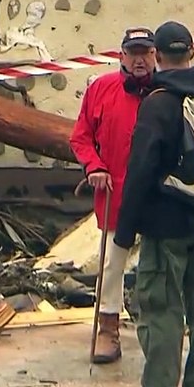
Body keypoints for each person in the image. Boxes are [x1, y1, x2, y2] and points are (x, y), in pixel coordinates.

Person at [113, 20, 194, 387]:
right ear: (193, 54)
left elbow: (140, 171)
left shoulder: (160, 102)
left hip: (167, 226)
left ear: (159, 57)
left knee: (162, 310)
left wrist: (125, 230)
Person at [68, 27, 157, 364]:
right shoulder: (101, 89)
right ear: (121, 56)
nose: (139, 59)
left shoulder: (166, 92)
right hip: (115, 187)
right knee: (111, 263)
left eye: (145, 52)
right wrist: (94, 166)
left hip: (157, 192)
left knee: (158, 261)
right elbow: (80, 137)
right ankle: (108, 328)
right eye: (133, 52)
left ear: (155, 56)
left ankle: (160, 329)